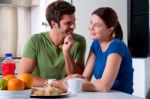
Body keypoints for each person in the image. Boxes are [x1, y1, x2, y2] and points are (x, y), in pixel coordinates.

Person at [51, 7, 134, 94]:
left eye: (97, 25)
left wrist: (68, 85)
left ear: (110, 30)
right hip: (106, 95)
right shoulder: (96, 44)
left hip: (121, 96)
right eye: (91, 23)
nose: (91, 28)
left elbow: (104, 86)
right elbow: (85, 78)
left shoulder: (116, 46)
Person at [18, 0, 86, 87]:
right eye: (68, 23)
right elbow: (23, 77)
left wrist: (66, 52)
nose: (73, 26)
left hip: (68, 94)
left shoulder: (79, 41)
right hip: (41, 94)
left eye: (74, 21)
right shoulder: (35, 41)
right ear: (53, 24)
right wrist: (56, 83)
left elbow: (77, 77)